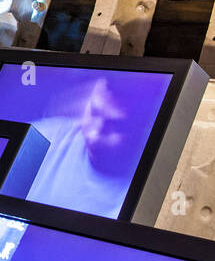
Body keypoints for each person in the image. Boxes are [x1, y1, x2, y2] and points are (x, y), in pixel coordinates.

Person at [26, 77, 138, 218]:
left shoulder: (135, 201)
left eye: (115, 125)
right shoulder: (41, 138)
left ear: (140, 130)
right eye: (94, 112)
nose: (94, 134)